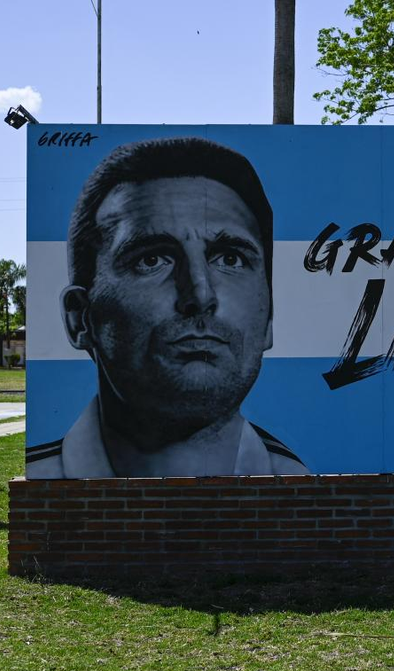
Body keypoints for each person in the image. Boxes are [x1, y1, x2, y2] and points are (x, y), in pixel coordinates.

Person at [26, 137, 307, 478]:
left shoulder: (306, 485)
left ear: (269, 316)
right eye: (151, 259)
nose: (200, 295)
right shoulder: (42, 480)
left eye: (230, 259)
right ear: (80, 319)